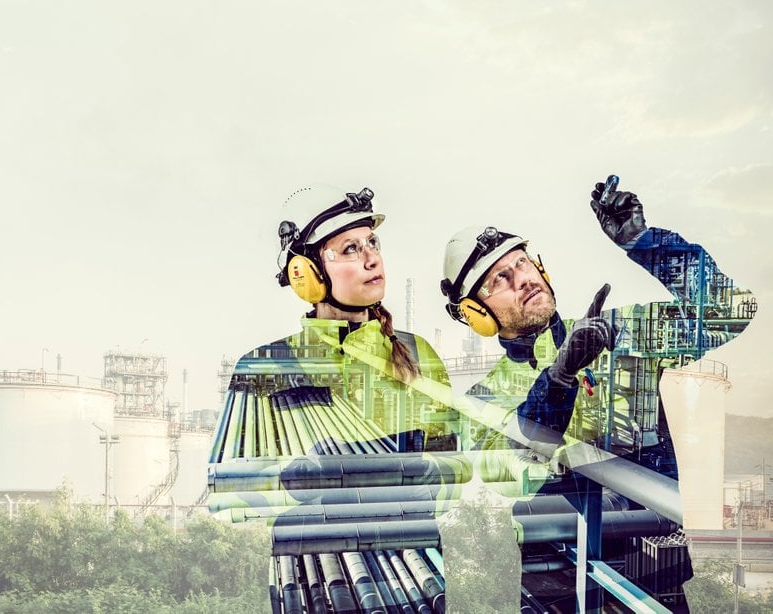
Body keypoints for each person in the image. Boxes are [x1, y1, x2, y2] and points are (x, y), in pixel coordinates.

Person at [207, 184, 597, 613]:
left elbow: (454, 479)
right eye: (350, 248)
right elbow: (229, 500)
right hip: (315, 586)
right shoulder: (264, 368)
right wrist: (304, 484)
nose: (371, 257)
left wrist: (368, 478)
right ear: (308, 274)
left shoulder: (417, 357)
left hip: (417, 583)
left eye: (372, 242)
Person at [439, 175, 757, 612]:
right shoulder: (483, 397)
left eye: (523, 264)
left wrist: (646, 242)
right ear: (476, 314)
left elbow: (730, 310)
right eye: (499, 280)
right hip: (559, 592)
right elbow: (502, 477)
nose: (523, 280)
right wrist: (560, 376)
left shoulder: (617, 334)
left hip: (657, 582)